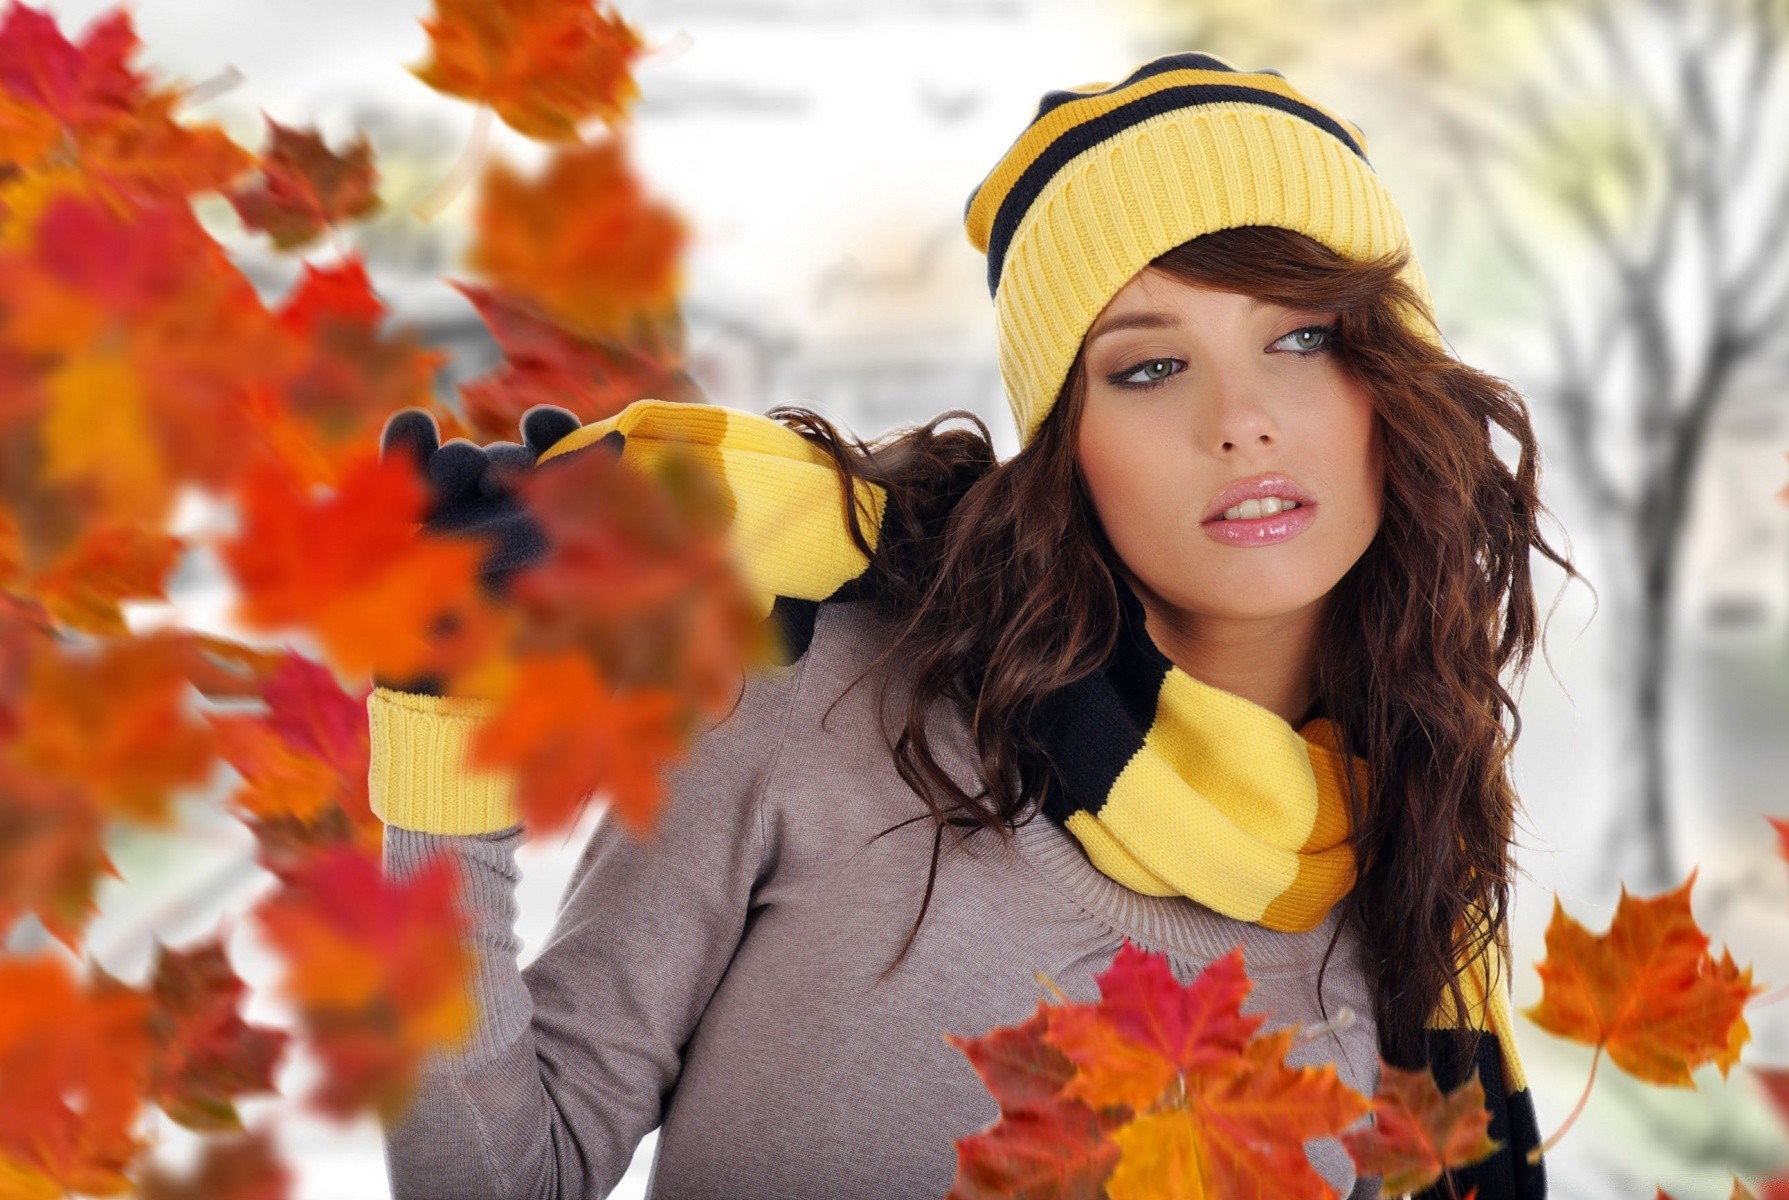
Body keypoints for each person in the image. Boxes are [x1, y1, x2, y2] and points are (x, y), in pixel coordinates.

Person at [371, 50, 1575, 1200]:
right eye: (1148, 368)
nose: (1243, 419)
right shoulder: (818, 703)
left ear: (1394, 386)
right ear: (1067, 448)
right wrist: (444, 750)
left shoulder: (1411, 883)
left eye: (1302, 337)